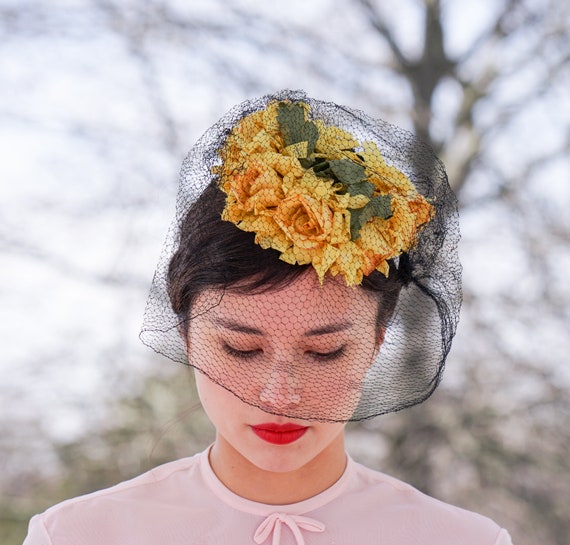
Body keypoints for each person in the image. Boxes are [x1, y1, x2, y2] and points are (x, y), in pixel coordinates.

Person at [23, 90, 513, 544]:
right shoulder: (77, 535)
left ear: (377, 342)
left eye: (325, 351)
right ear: (187, 336)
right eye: (241, 348)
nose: (280, 395)